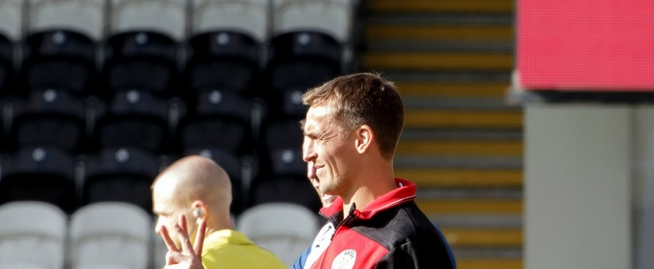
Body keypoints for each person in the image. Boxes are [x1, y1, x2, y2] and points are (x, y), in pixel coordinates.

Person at [300, 72, 455, 269]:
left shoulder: (406, 244)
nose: (307, 155)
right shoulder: (332, 230)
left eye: (319, 137)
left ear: (362, 140)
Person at [151, 155, 286, 269]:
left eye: (164, 214)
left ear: (200, 211)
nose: (158, 228)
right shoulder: (274, 262)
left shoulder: (187, 265)